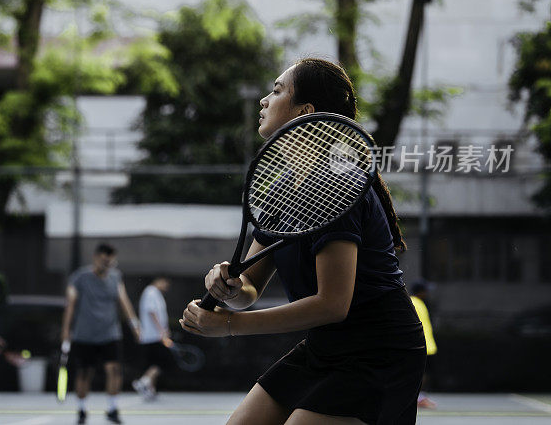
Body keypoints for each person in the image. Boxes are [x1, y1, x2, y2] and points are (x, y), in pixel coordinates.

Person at [180, 58, 426, 425]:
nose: (264, 100)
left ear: (305, 112)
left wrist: (229, 325)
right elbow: (249, 287)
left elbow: (332, 304)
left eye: (277, 91)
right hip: (326, 346)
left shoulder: (336, 185)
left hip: (379, 349)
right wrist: (228, 286)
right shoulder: (281, 191)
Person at [61, 243, 141, 425]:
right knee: (84, 374)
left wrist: (135, 324)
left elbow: (124, 301)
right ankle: (81, 410)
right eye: (103, 259)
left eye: (110, 261)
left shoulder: (116, 277)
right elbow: (70, 304)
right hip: (84, 335)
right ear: (96, 257)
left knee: (114, 370)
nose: (106, 263)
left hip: (110, 334)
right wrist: (66, 329)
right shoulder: (79, 277)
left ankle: (112, 409)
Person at [132, 277, 174, 401]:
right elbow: (151, 312)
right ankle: (143, 381)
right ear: (158, 280)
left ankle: (150, 390)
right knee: (160, 362)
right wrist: (161, 331)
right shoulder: (151, 292)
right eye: (165, 283)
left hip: (156, 335)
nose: (166, 287)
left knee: (153, 363)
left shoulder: (155, 293)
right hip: (154, 336)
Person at [410, 280, 438, 409]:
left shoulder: (420, 303)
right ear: (420, 292)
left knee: (424, 373)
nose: (427, 293)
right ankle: (417, 398)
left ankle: (419, 396)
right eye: (425, 290)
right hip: (421, 345)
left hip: (427, 345)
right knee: (420, 374)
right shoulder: (414, 302)